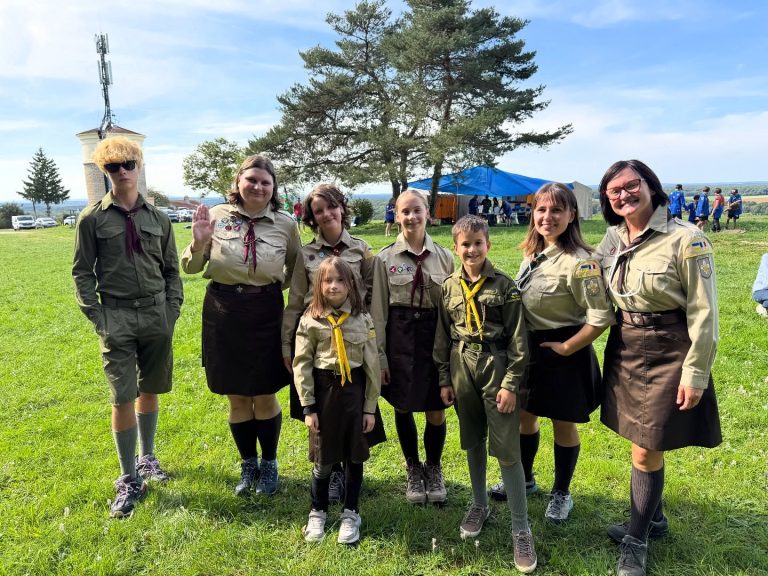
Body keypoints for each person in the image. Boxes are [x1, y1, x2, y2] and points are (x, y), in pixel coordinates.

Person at [595, 160, 721, 576]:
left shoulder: (687, 239)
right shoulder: (613, 238)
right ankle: (657, 518)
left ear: (651, 186)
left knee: (646, 447)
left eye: (632, 186)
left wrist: (695, 372)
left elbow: (705, 313)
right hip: (626, 345)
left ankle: (636, 539)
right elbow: (588, 276)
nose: (624, 195)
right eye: (614, 191)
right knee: (639, 435)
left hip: (669, 349)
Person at [487, 183, 615, 524]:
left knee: (563, 424)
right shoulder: (532, 253)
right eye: (541, 209)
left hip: (563, 352)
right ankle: (526, 480)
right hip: (528, 351)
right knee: (526, 417)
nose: (548, 217)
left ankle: (562, 493)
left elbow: (601, 316)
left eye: (557, 210)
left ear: (572, 215)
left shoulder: (581, 262)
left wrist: (567, 347)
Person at [72, 136, 183, 518]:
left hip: (156, 315)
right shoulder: (91, 219)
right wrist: (99, 318)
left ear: (139, 166)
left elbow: (172, 271)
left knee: (149, 388)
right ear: (105, 172)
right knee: (122, 394)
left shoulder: (160, 218)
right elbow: (82, 273)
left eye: (128, 164)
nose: (122, 172)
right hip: (115, 316)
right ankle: (128, 477)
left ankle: (148, 456)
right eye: (113, 167)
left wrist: (171, 312)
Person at [182, 154, 300, 497]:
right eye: (252, 180)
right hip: (224, 311)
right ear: (238, 182)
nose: (258, 187)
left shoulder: (286, 224)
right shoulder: (216, 216)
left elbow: (297, 268)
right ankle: (248, 464)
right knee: (236, 397)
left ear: (273, 187)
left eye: (265, 182)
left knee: (264, 394)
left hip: (265, 312)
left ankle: (270, 465)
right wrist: (200, 241)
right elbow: (189, 268)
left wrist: (269, 288)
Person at [433, 215, 536, 573]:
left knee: (507, 448)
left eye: (478, 243)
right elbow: (443, 337)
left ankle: (520, 528)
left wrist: (510, 384)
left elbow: (519, 342)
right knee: (472, 438)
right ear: (456, 247)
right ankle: (479, 504)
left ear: (488, 244)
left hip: (496, 364)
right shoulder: (448, 287)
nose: (472, 249)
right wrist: (446, 379)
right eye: (465, 244)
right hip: (462, 364)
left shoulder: (505, 286)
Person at [282, 183, 379, 503]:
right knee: (323, 410)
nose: (326, 214)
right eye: (318, 211)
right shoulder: (307, 254)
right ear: (311, 218)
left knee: (350, 409)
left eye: (331, 207)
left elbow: (371, 301)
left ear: (342, 207)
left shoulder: (362, 251)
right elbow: (296, 301)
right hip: (317, 338)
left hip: (352, 341)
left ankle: (347, 469)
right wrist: (287, 344)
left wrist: (378, 353)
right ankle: (332, 470)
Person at [371, 189, 455, 504]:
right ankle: (412, 467)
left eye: (417, 210)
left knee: (436, 408)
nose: (411, 217)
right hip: (400, 338)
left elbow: (451, 308)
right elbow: (378, 312)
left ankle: (433, 467)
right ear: (396, 214)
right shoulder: (384, 258)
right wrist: (380, 357)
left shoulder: (445, 257)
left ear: (427, 213)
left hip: (433, 338)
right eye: (404, 211)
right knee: (403, 405)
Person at [293, 257, 381, 545]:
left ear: (351, 284)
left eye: (340, 280)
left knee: (354, 457)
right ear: (318, 285)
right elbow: (302, 364)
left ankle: (350, 512)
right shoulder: (310, 319)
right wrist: (308, 407)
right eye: (327, 280)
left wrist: (370, 408)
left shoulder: (362, 319)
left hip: (355, 396)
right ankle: (317, 511)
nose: (334, 285)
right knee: (323, 458)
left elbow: (371, 367)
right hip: (324, 394)